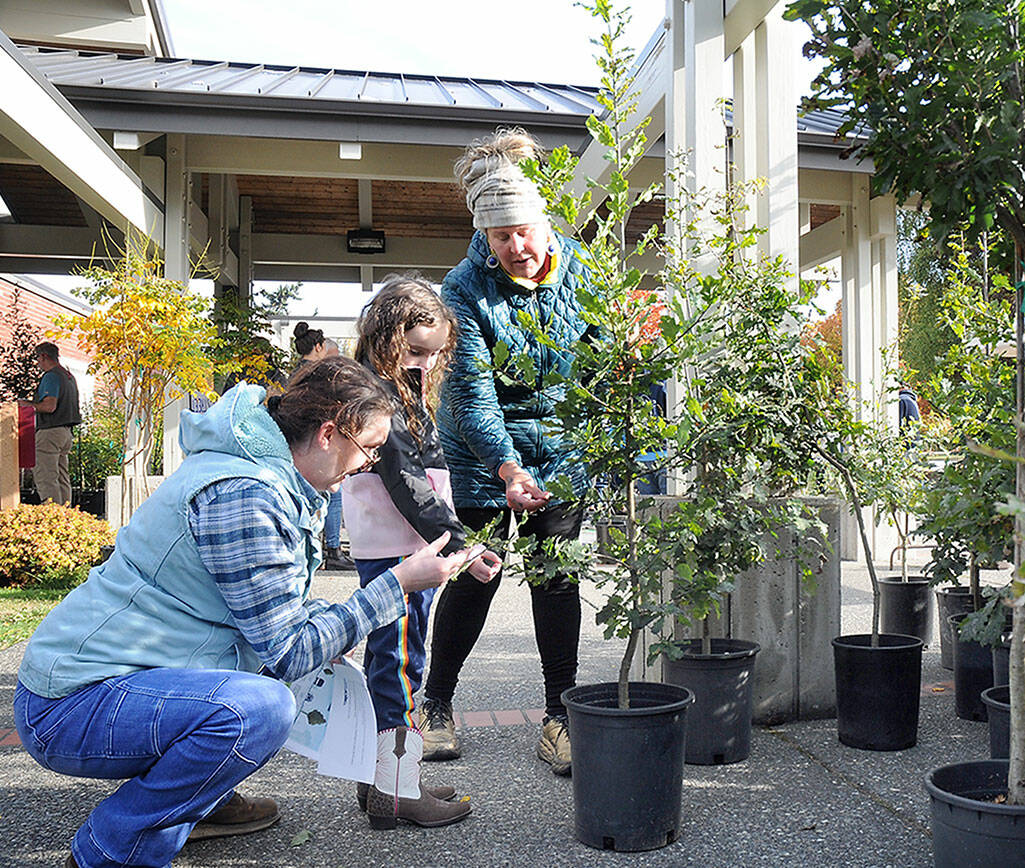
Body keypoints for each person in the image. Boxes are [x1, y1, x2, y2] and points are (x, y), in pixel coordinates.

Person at [14, 357, 496, 868]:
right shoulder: (246, 494)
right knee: (259, 708)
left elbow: (269, 606)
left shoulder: (265, 473)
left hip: (118, 682)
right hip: (68, 705)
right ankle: (111, 850)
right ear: (330, 433)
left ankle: (198, 805)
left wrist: (334, 624)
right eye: (370, 450)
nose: (371, 465)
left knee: (283, 680)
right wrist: (394, 586)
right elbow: (287, 651)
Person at [423, 128, 596, 777]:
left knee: (557, 578)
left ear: (543, 221)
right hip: (481, 456)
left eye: (524, 230)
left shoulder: (583, 270)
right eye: (502, 237)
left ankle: (560, 714)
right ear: (485, 237)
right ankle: (435, 702)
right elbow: (469, 396)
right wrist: (506, 467)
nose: (517, 247)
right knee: (477, 574)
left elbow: (601, 365)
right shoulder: (462, 289)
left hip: (559, 454)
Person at [342, 275, 502, 826]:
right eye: (414, 351)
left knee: (389, 663)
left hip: (400, 543)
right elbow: (409, 481)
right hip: (404, 547)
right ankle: (398, 788)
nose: (425, 365)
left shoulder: (383, 387)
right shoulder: (379, 397)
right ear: (386, 335)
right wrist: (463, 543)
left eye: (434, 355)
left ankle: (381, 779)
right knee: (403, 666)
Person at [294, 324, 353, 571]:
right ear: (318, 347)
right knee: (333, 493)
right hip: (320, 441)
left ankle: (314, 550)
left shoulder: (294, 374)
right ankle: (333, 549)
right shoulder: (318, 374)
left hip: (298, 442)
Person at [24, 341, 81, 504]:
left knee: (46, 477)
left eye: (38, 359)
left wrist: (27, 405)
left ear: (43, 356)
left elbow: (49, 406)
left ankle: (52, 518)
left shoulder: (51, 376)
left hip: (50, 432)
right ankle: (67, 518)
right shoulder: (69, 376)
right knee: (62, 478)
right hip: (66, 433)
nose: (38, 363)